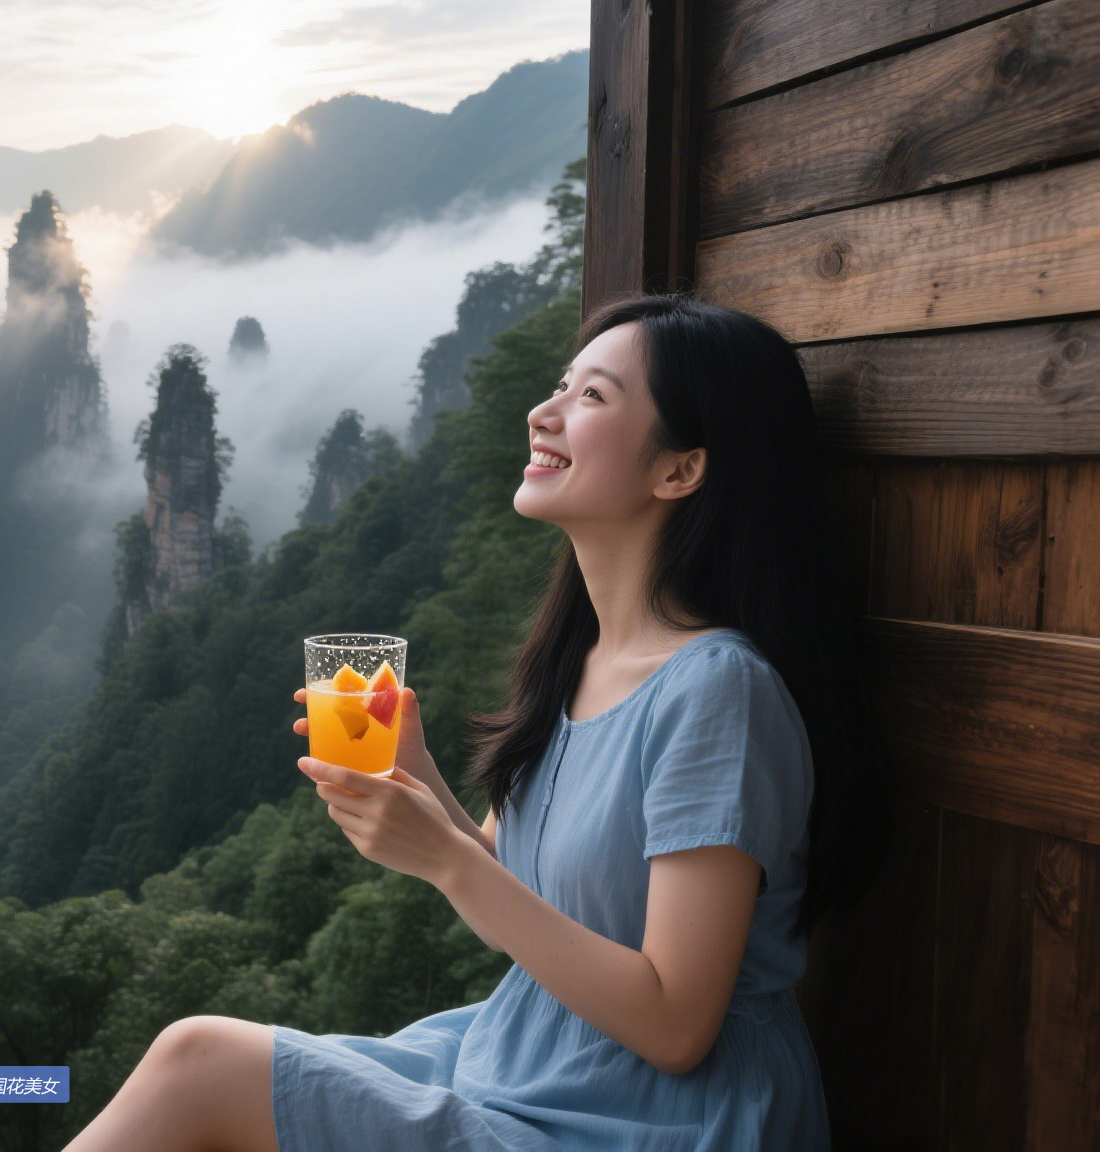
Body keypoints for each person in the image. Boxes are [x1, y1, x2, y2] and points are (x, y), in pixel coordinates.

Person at [60, 294, 887, 1151]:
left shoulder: (718, 693)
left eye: (592, 397)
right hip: (538, 1064)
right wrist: (426, 795)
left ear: (680, 469)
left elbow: (679, 1024)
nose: (543, 411)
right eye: (561, 385)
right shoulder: (583, 660)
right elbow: (533, 898)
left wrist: (450, 862)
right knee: (200, 1064)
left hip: (653, 1117)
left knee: (200, 1062)